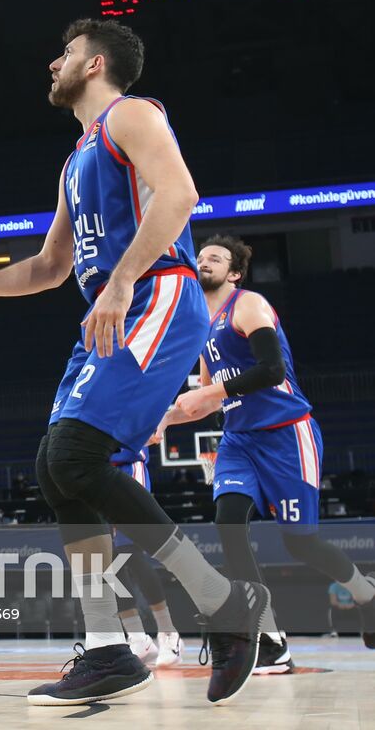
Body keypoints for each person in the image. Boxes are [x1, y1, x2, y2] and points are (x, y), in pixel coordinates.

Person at [0, 20, 268, 707]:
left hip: (156, 292)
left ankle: (224, 604)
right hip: (109, 306)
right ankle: (108, 646)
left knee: (77, 456)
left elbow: (179, 197)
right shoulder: (74, 158)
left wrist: (119, 283)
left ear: (96, 63)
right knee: (58, 469)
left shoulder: (132, 114)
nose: (54, 61)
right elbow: (51, 266)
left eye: (67, 52)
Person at [153, 235, 375, 667]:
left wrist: (212, 389)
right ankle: (270, 639)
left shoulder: (248, 304)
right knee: (229, 524)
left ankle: (368, 595)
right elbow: (207, 398)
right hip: (238, 440)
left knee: (302, 545)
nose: (204, 262)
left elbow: (271, 371)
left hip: (287, 434)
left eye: (214, 258)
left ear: (233, 273)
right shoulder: (200, 325)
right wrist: (162, 419)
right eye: (200, 257)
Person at [108, 446, 182, 668]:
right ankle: (138, 638)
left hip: (127, 469)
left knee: (129, 553)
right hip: (96, 475)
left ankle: (169, 633)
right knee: (110, 563)